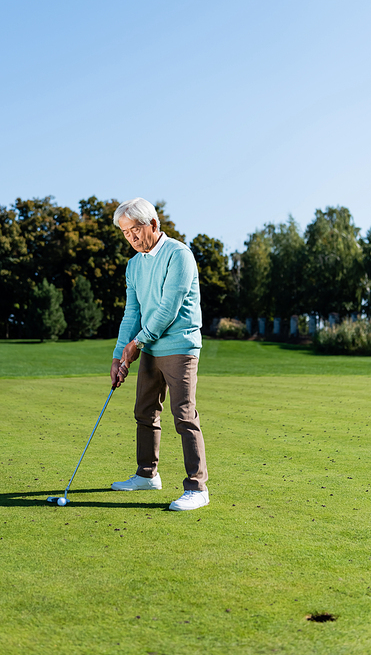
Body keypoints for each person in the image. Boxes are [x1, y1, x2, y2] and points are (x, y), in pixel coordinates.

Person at [110, 197, 209, 511]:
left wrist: (137, 344)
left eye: (135, 230)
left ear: (153, 224)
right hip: (149, 346)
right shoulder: (134, 265)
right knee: (145, 411)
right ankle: (146, 474)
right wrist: (118, 356)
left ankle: (197, 488)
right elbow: (132, 312)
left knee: (184, 416)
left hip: (179, 346)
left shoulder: (179, 255)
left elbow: (169, 306)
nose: (132, 238)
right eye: (126, 233)